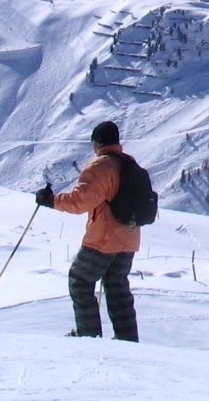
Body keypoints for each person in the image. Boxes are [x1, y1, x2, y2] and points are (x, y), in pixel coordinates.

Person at [36, 121, 140, 341]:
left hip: (103, 239)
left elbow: (80, 202)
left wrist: (51, 201)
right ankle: (128, 339)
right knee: (117, 287)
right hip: (129, 239)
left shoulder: (100, 166)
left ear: (97, 142)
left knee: (80, 280)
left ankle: (88, 336)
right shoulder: (129, 163)